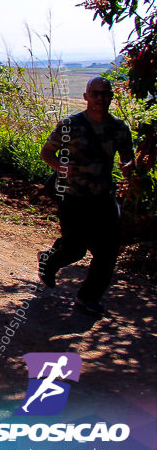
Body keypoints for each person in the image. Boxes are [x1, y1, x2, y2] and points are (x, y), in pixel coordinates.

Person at [38, 76, 135, 316]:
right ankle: (49, 262)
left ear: (111, 96)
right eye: (95, 93)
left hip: (104, 197)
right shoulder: (70, 125)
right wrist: (60, 167)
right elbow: (47, 152)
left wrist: (129, 168)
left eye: (105, 93)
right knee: (75, 250)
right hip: (73, 196)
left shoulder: (120, 128)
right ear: (86, 96)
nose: (100, 98)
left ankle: (88, 297)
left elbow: (127, 159)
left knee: (108, 252)